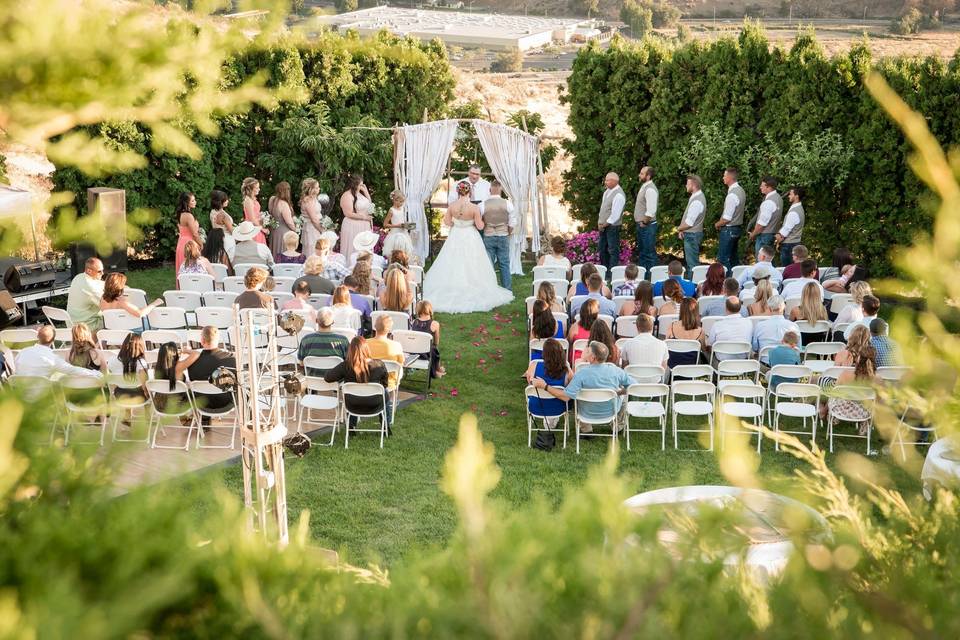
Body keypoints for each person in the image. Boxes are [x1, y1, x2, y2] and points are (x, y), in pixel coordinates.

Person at [422, 180, 513, 313]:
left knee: (453, 262)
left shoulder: (452, 206)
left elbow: (447, 222)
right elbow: (480, 226)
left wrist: (458, 224)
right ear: (469, 191)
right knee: (472, 262)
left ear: (458, 192)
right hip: (471, 236)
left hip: (456, 236)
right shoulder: (474, 208)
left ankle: (453, 286)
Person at [532, 341, 633, 433]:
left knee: (577, 396)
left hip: (587, 412)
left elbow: (567, 396)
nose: (585, 351)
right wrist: (620, 392)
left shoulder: (581, 373)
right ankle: (618, 427)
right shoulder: (616, 371)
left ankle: (586, 429)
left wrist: (545, 386)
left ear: (592, 357)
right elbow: (633, 386)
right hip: (610, 411)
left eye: (588, 350)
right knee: (623, 398)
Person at [325, 337, 392, 427]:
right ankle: (386, 425)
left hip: (352, 404)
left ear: (350, 350)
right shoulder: (379, 364)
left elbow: (328, 378)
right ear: (366, 349)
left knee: (350, 394)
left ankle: (351, 426)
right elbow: (385, 384)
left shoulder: (345, 366)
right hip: (375, 403)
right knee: (384, 392)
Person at [176, 326, 236, 411]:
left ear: (202, 341)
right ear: (218, 340)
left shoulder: (192, 361)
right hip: (225, 403)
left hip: (201, 404)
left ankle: (204, 419)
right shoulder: (230, 358)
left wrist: (189, 352)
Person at [15, 325, 101, 379]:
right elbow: (73, 370)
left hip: (19, 400)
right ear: (53, 340)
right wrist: (96, 374)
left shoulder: (22, 352)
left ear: (37, 336)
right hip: (42, 400)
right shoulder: (52, 359)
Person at [523, 339, 573, 430]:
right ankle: (551, 419)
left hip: (537, 407)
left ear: (544, 354)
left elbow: (530, 384)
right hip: (558, 408)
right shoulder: (567, 371)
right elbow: (570, 392)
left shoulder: (534, 365)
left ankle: (550, 420)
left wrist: (545, 386)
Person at [823, 344, 878, 426]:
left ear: (859, 358)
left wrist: (825, 410)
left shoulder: (846, 374)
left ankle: (832, 417)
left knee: (834, 394)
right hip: (864, 413)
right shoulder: (876, 379)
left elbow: (834, 394)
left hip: (841, 410)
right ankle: (864, 424)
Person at [481, 181, 517, 291]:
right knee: (504, 264)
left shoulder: (482, 204)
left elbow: (480, 222)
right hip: (503, 235)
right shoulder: (508, 204)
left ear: (490, 190)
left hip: (488, 235)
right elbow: (512, 222)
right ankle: (507, 289)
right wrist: (508, 232)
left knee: (489, 264)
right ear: (500, 190)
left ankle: (490, 288)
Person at [714, 167, 747, 274]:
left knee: (723, 259)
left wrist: (717, 224)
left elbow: (727, 218)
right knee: (733, 258)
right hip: (737, 228)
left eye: (724, 175)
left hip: (729, 229)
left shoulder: (732, 194)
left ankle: (728, 282)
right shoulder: (741, 190)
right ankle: (736, 280)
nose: (723, 177)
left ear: (729, 177)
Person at [752, 296, 802, 362]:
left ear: (769, 309)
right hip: (789, 363)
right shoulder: (794, 326)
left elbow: (755, 347)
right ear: (784, 308)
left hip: (766, 363)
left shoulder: (760, 326)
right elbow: (798, 349)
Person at [676, 174, 706, 279]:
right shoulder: (695, 197)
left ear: (693, 185)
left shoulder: (697, 200)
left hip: (692, 236)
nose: (685, 186)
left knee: (692, 265)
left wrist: (679, 228)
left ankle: (693, 287)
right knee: (691, 264)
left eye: (687, 184)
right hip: (691, 234)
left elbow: (689, 223)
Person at [597, 172, 626, 274]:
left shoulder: (619, 194)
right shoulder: (607, 192)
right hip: (604, 226)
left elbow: (615, 215)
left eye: (607, 180)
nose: (605, 182)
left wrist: (605, 224)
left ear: (614, 181)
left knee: (613, 250)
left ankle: (611, 274)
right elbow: (603, 209)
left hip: (612, 227)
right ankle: (604, 271)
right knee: (602, 249)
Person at [339, 174, 373, 261]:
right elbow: (348, 213)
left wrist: (366, 192)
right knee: (353, 248)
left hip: (363, 226)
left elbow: (370, 205)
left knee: (364, 250)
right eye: (361, 184)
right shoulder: (347, 195)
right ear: (355, 184)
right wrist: (364, 218)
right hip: (352, 225)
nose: (362, 186)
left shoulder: (360, 195)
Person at [747, 176, 782, 260]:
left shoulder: (768, 202)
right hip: (772, 234)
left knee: (761, 262)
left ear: (769, 187)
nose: (760, 187)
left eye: (762, 185)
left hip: (764, 236)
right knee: (768, 261)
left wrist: (753, 234)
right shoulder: (779, 198)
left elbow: (761, 224)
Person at [367, 314, 405, 391]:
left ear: (374, 327)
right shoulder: (396, 345)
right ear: (390, 329)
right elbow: (401, 364)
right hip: (388, 384)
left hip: (368, 380)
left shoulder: (364, 343)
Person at [67, 257, 105, 331]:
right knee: (113, 318)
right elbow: (107, 306)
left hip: (72, 324)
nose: (102, 273)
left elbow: (101, 283)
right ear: (89, 271)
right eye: (99, 271)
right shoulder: (91, 287)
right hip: (85, 327)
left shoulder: (78, 277)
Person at [633, 165, 659, 273]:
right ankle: (643, 278)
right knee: (643, 253)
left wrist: (644, 222)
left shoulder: (650, 189)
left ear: (648, 176)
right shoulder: (645, 187)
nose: (639, 175)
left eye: (642, 173)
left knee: (649, 254)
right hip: (643, 226)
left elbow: (651, 210)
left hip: (647, 226)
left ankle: (650, 279)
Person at [411, 300, 445, 378]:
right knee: (434, 349)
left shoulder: (414, 322)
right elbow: (436, 342)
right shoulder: (434, 324)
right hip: (426, 354)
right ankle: (436, 370)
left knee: (432, 349)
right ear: (430, 310)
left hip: (413, 352)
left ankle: (438, 369)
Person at [110, 333, 149, 400]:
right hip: (138, 397)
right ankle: (147, 410)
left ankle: (127, 410)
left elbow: (112, 382)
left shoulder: (112, 360)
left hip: (120, 396)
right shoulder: (141, 363)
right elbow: (144, 386)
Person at [777, 186, 806, 267]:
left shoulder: (794, 212)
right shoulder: (798, 208)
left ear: (796, 196)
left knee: (788, 269)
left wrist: (776, 238)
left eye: (790, 194)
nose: (789, 196)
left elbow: (784, 233)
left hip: (789, 246)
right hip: (794, 244)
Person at [382, 190, 416, 258]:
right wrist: (397, 226)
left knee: (405, 252)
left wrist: (406, 225)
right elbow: (385, 224)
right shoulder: (391, 210)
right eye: (400, 201)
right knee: (395, 253)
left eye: (403, 201)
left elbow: (402, 220)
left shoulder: (402, 209)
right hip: (395, 235)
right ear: (395, 200)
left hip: (404, 234)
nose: (402, 203)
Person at [173, 191, 201, 275]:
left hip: (181, 242)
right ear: (186, 202)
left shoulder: (181, 214)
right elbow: (195, 234)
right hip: (189, 244)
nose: (195, 202)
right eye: (192, 201)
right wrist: (201, 244)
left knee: (184, 270)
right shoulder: (188, 216)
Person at [268, 181, 297, 258]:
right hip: (283, 233)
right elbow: (289, 222)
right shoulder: (283, 204)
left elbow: (270, 213)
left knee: (274, 251)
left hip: (274, 231)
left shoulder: (272, 199)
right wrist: (296, 230)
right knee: (282, 252)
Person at [207, 189, 234, 267]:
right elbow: (231, 230)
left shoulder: (213, 212)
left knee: (219, 261)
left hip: (216, 238)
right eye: (225, 200)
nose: (227, 201)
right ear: (220, 201)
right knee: (228, 261)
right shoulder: (223, 215)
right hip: (227, 239)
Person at [567, 298, 598, 362]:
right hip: (593, 361)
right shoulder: (599, 328)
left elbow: (568, 343)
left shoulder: (574, 327)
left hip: (576, 361)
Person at [241, 177, 267, 245]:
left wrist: (263, 219)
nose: (259, 189)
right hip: (252, 229)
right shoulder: (248, 201)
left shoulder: (253, 199)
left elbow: (256, 214)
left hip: (257, 227)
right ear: (251, 189)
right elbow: (252, 219)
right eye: (257, 187)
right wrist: (262, 229)